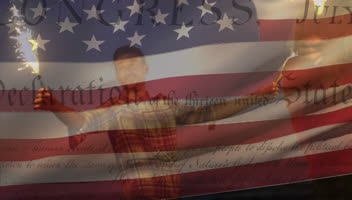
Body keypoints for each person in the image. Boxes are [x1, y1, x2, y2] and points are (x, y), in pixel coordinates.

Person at [34, 45, 279, 200]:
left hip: (172, 194)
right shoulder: (113, 108)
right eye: (121, 67)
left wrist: (259, 95)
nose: (127, 70)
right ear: (117, 74)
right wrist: (56, 106)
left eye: (132, 65)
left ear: (145, 69)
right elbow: (81, 121)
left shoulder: (164, 105)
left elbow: (211, 112)